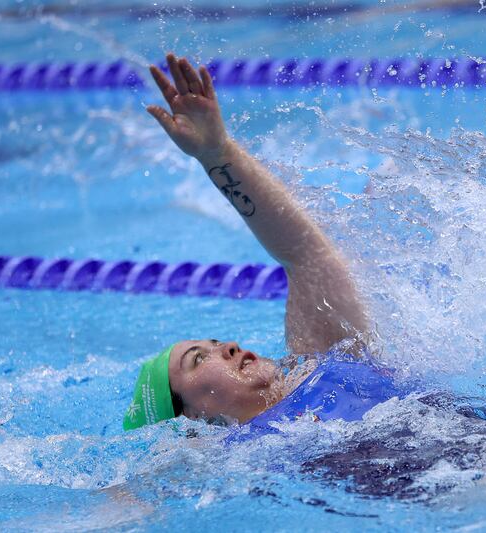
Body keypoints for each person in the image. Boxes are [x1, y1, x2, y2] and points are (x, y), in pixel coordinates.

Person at [123, 53, 387, 431]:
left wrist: (217, 154)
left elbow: (303, 252)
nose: (228, 346)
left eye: (214, 343)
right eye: (198, 359)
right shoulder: (235, 460)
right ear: (193, 419)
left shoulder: (330, 363)